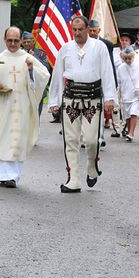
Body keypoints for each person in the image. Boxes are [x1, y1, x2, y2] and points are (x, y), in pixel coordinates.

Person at [48, 16, 117, 193]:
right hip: (70, 100)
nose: (77, 33)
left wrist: (110, 97)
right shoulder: (66, 49)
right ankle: (74, 179)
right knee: (70, 140)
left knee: (91, 141)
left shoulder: (99, 46)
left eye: (80, 29)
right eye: (74, 30)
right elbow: (57, 74)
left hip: (92, 100)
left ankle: (92, 167)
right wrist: (54, 100)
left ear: (87, 29)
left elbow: (107, 71)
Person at [0, 26, 50, 188]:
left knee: (16, 140)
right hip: (0, 107)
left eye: (16, 40)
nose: (12, 44)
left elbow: (44, 76)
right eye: (9, 40)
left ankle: (12, 176)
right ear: (4, 40)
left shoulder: (28, 58)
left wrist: (32, 71)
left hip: (20, 107)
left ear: (21, 41)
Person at [21, 31, 52, 119]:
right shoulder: (19, 53)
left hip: (38, 88)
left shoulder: (41, 53)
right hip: (24, 88)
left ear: (33, 41)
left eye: (28, 41)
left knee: (35, 116)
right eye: (24, 42)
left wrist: (34, 58)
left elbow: (46, 68)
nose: (26, 44)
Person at [117, 46, 139, 141]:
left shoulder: (138, 65)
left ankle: (131, 133)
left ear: (133, 57)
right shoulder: (120, 68)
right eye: (126, 59)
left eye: (130, 58)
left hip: (136, 94)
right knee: (127, 115)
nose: (128, 60)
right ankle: (129, 132)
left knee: (134, 113)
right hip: (125, 94)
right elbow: (119, 82)